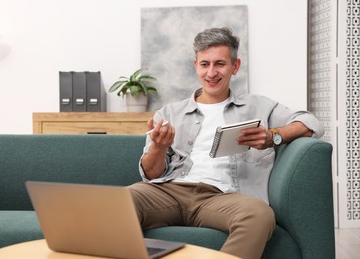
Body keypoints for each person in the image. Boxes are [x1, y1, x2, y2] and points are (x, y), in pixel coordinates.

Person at [127, 27, 324, 259]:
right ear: (195, 65)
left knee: (260, 215)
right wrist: (158, 149)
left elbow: (312, 123)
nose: (211, 72)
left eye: (220, 64)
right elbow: (151, 174)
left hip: (224, 197)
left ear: (235, 66)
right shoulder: (169, 112)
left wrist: (273, 136)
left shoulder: (259, 107)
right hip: (169, 191)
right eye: (204, 64)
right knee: (119, 202)